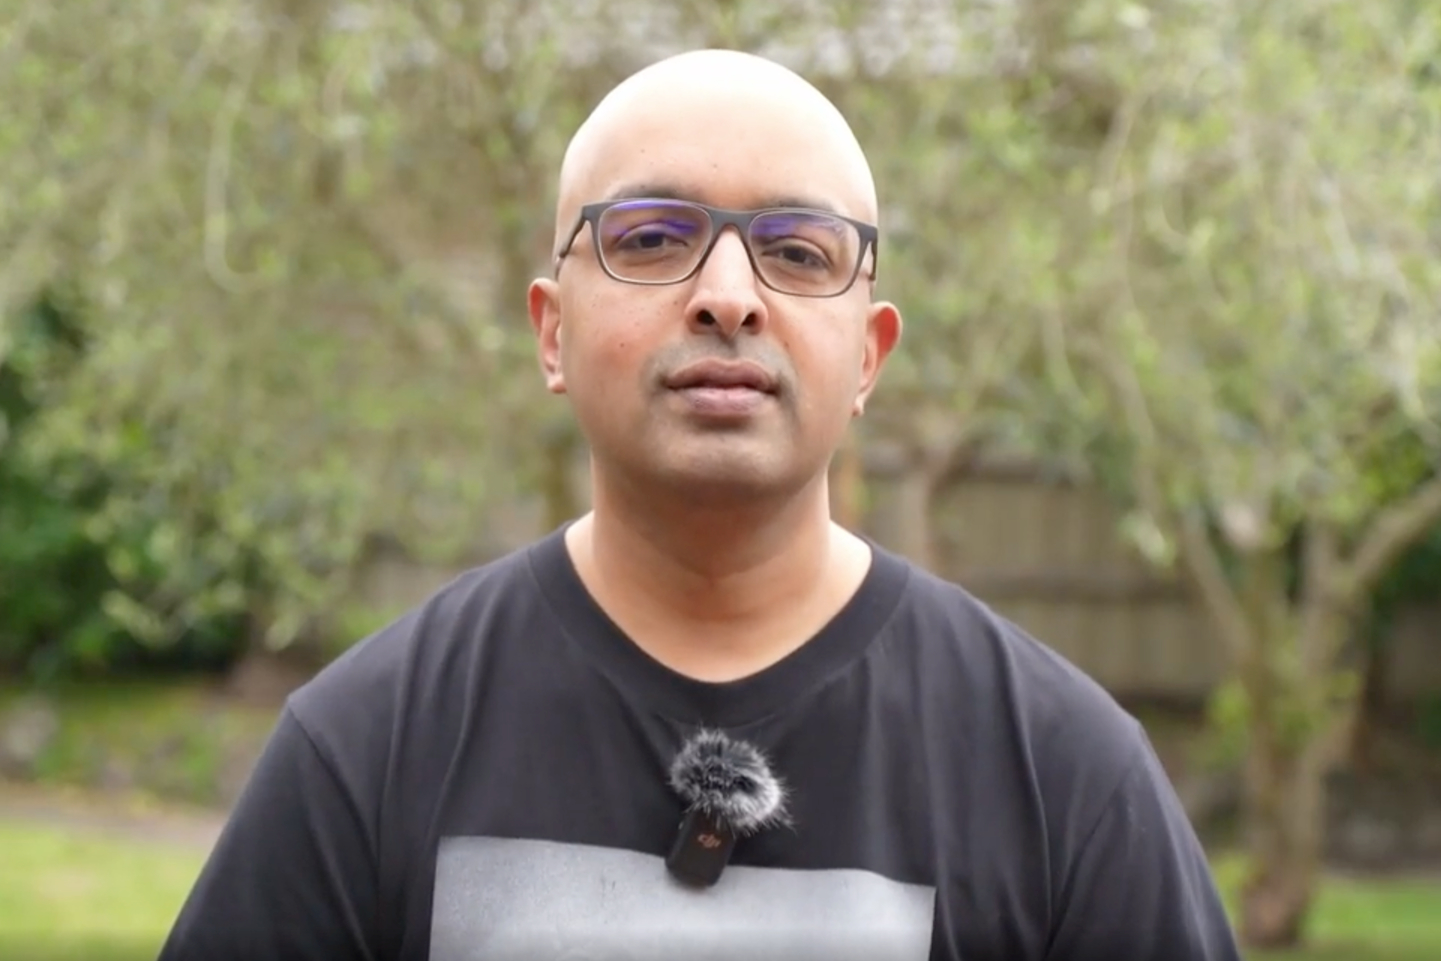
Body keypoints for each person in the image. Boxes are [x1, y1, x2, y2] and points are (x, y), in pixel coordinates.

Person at [157, 49, 1242, 961]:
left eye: (797, 251)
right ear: (551, 332)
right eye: (650, 237)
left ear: (869, 355)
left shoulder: (1064, 774)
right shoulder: (367, 748)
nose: (728, 293)